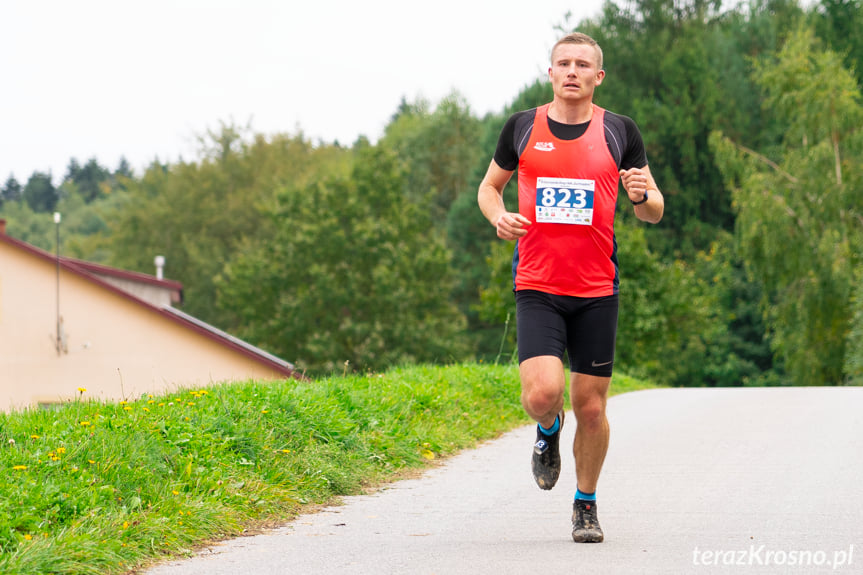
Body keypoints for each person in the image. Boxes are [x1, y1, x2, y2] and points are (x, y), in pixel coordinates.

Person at [477, 32, 664, 543]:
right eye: (564, 63)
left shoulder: (619, 131)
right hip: (537, 283)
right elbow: (489, 187)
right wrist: (498, 217)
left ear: (597, 76)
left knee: (592, 407)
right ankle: (546, 431)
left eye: (583, 64)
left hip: (597, 288)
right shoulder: (521, 126)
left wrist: (642, 195)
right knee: (543, 396)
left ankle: (585, 504)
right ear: (552, 72)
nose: (573, 71)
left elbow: (653, 210)